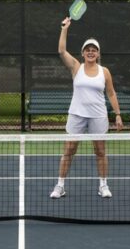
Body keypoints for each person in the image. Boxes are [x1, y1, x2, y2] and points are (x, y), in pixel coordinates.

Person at [49, 17, 124, 199]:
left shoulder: (104, 72)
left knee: (100, 151)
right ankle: (60, 186)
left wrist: (118, 114)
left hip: (98, 116)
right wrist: (64, 28)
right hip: (77, 114)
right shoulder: (76, 67)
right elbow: (61, 50)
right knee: (69, 151)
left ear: (98, 53)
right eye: (87, 50)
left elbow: (111, 93)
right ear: (83, 53)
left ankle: (103, 185)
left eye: (94, 50)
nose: (91, 52)